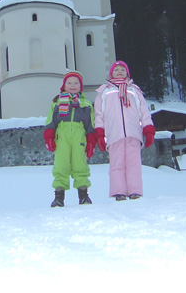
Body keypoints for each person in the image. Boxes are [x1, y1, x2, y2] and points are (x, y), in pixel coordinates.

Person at [92, 60, 156, 201]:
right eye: (116, 69)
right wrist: (100, 133)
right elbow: (99, 115)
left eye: (122, 69)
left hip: (133, 133)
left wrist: (148, 129)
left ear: (127, 73)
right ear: (111, 73)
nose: (119, 72)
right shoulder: (104, 92)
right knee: (116, 165)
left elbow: (144, 112)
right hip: (114, 134)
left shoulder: (134, 90)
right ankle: (118, 192)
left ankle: (135, 191)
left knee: (134, 164)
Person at [43, 71, 95, 207]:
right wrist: (49, 136)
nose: (73, 86)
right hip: (62, 135)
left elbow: (91, 124)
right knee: (61, 165)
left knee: (80, 164)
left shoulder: (86, 104)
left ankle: (83, 195)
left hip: (79, 135)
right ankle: (59, 196)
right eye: (69, 83)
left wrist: (91, 141)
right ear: (64, 85)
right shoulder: (57, 103)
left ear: (80, 86)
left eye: (76, 83)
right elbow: (50, 121)